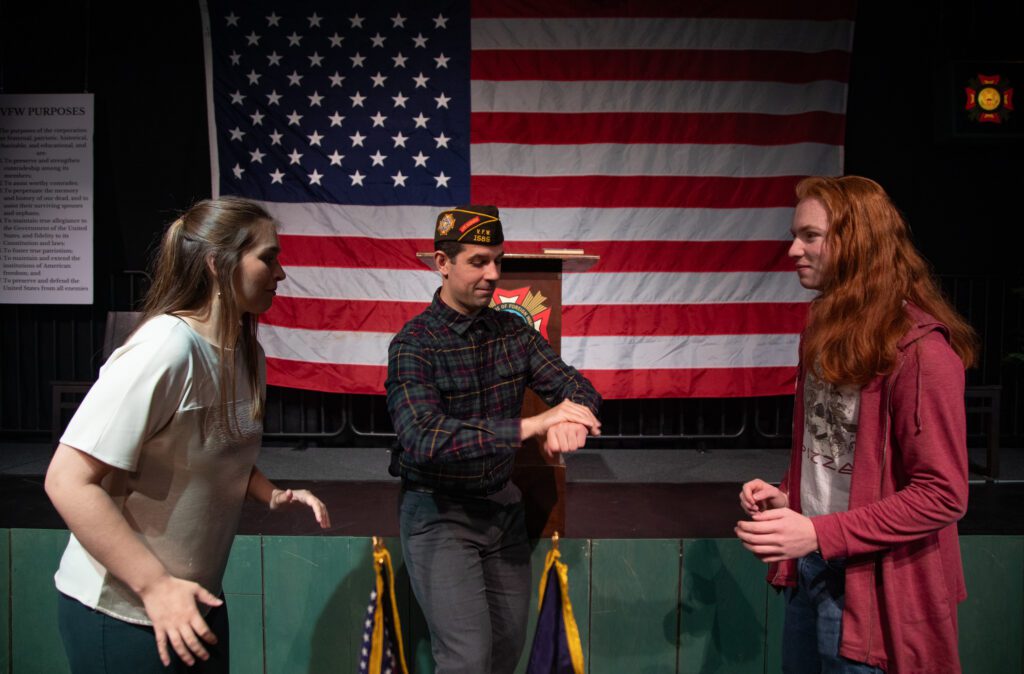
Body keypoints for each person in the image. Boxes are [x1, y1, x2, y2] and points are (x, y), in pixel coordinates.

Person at [44, 196, 331, 673]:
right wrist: (156, 586)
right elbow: (67, 480)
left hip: (195, 603)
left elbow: (215, 445)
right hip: (125, 613)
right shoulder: (165, 348)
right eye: (269, 257)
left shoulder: (245, 352)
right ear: (219, 265)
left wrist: (271, 494)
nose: (280, 273)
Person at [735, 176, 978, 673]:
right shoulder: (822, 331)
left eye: (809, 235)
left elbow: (943, 494)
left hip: (877, 588)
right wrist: (794, 497)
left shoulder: (922, 354)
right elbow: (843, 456)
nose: (792, 251)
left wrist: (820, 532)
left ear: (857, 240)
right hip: (814, 572)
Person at [385, 205, 602, 674]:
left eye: (498, 261)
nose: (493, 274)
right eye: (479, 261)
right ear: (443, 263)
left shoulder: (513, 332)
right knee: (466, 660)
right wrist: (531, 426)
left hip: (502, 512)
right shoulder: (414, 344)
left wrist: (571, 421)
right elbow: (423, 437)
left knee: (504, 655)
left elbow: (578, 388)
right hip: (440, 515)